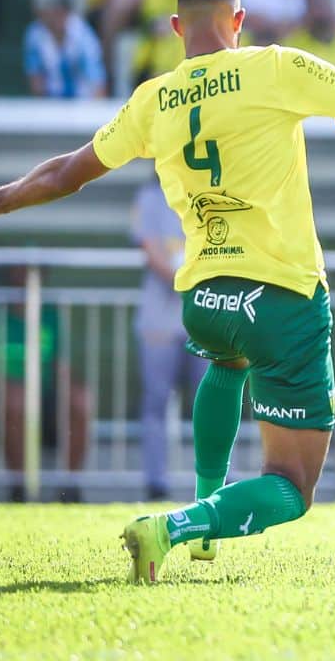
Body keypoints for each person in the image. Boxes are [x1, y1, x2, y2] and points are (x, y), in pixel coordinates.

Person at [0, 0, 335, 583]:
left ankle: (204, 504)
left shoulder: (152, 99)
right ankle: (174, 529)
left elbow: (67, 171)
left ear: (175, 27)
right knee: (292, 487)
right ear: (239, 21)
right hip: (281, 300)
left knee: (226, 363)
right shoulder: (274, 67)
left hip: (204, 297)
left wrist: (2, 198)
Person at [0, 265, 92, 502]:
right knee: (16, 400)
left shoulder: (50, 315)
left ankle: (69, 488)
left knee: (80, 400)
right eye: (20, 272)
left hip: (43, 399)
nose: (26, 280)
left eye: (33, 273)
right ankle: (19, 488)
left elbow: (62, 370)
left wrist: (72, 388)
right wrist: (8, 387)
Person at [132, 178, 209, 501]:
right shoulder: (150, 197)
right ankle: (156, 480)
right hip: (160, 320)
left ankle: (215, 475)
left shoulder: (208, 192)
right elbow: (151, 251)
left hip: (204, 319)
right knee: (156, 399)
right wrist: (184, 281)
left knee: (211, 399)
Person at [24, 0, 107, 98]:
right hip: (50, 104)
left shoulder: (84, 35)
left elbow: (97, 82)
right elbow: (36, 81)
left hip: (83, 106)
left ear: (63, 11)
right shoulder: (35, 34)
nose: (50, 19)